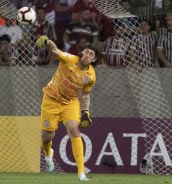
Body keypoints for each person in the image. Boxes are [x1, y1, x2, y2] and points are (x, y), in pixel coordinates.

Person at [35, 35, 98, 181]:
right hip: (51, 99)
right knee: (47, 137)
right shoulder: (70, 59)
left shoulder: (91, 76)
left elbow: (85, 95)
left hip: (70, 102)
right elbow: (55, 51)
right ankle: (48, 153)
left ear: (93, 60)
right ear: (82, 53)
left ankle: (81, 173)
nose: (87, 55)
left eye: (91, 55)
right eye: (86, 52)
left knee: (74, 129)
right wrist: (46, 41)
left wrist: (86, 112)